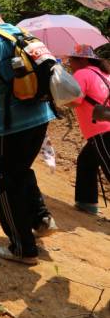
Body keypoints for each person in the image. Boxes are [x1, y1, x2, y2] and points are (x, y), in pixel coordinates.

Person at [0, 0, 57, 264]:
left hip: (12, 125)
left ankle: (22, 248)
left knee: (6, 185)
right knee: (22, 171)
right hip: (42, 116)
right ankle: (41, 218)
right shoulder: (24, 34)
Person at [68, 44, 110, 216]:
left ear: (82, 59)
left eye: (71, 60)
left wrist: (58, 98)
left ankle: (87, 202)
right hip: (106, 127)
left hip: (101, 129)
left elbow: (76, 100)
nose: (70, 64)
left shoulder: (82, 73)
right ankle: (87, 202)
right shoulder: (105, 74)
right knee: (86, 160)